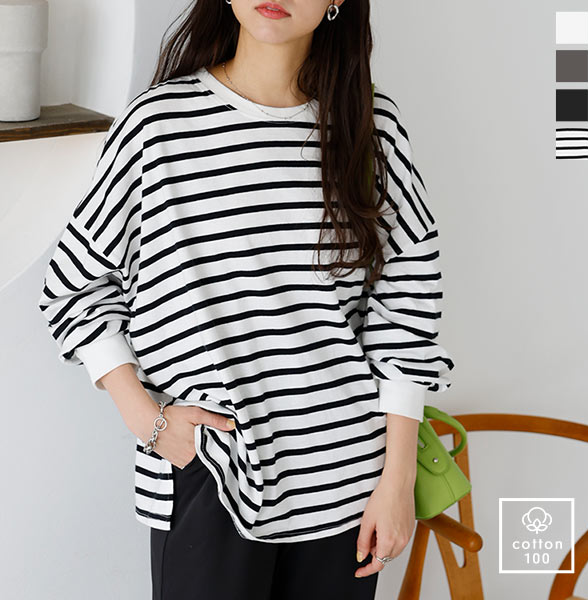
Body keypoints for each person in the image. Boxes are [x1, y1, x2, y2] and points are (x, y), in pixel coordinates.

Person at [38, 1, 455, 598]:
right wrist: (148, 421)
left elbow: (408, 309)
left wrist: (396, 480)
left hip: (347, 481)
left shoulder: (370, 126)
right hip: (209, 471)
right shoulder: (158, 126)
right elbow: (75, 284)